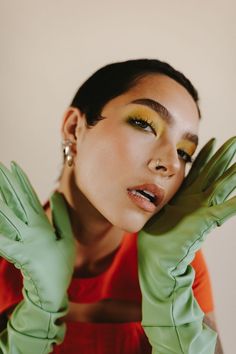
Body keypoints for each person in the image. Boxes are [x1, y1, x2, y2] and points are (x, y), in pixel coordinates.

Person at [0, 59, 235, 354]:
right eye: (144, 123)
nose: (172, 164)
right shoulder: (4, 252)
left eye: (185, 153)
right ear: (74, 128)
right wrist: (38, 313)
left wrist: (169, 296)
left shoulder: (178, 262)